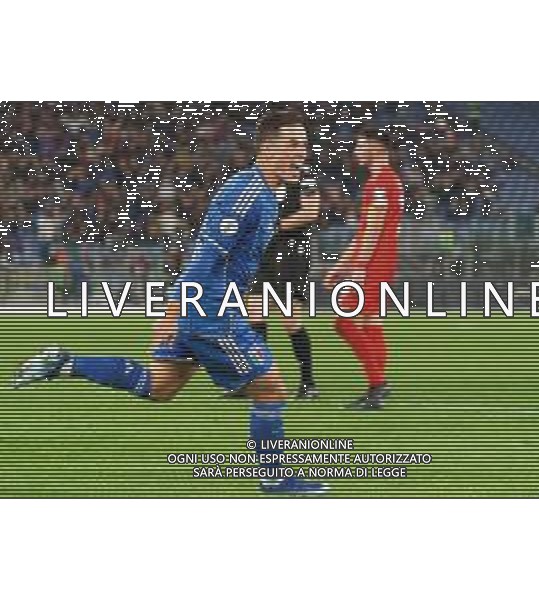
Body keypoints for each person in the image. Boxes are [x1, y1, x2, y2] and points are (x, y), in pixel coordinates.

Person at [13, 108, 328, 495]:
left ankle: (66, 363)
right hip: (210, 309)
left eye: (305, 143)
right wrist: (175, 309)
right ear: (268, 145)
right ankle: (275, 479)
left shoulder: (264, 192)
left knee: (158, 387)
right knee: (271, 389)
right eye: (292, 144)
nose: (302, 152)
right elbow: (207, 254)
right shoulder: (247, 192)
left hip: (208, 304)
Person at [325, 126, 404, 410]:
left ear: (376, 147)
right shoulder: (388, 180)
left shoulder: (380, 183)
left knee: (344, 322)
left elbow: (372, 229)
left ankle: (378, 384)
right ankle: (377, 388)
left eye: (360, 145)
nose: (355, 150)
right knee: (371, 321)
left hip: (373, 262)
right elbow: (364, 232)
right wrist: (340, 265)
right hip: (383, 259)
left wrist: (357, 266)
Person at [231, 177, 320, 400]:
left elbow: (310, 213)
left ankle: (308, 383)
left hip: (291, 255)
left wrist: (274, 226)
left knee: (290, 320)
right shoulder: (259, 182)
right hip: (261, 255)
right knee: (254, 318)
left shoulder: (305, 179)